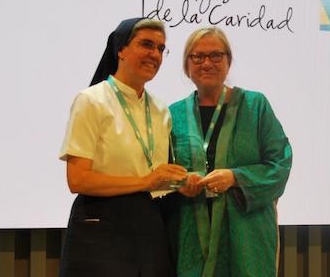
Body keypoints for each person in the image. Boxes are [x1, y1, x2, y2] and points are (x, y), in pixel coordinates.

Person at [58, 18, 188, 277]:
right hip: (100, 224)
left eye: (161, 48)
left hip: (149, 227)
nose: (155, 54)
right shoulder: (91, 101)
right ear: (121, 49)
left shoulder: (161, 110)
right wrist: (146, 181)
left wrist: (184, 182)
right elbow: (78, 179)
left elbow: (157, 180)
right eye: (146, 44)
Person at [168, 27, 292, 277]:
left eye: (216, 55)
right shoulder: (174, 114)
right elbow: (163, 170)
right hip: (193, 234)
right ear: (186, 65)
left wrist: (235, 178)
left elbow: (280, 164)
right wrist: (180, 182)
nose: (207, 63)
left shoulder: (255, 106)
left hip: (247, 237)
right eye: (197, 56)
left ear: (228, 61)